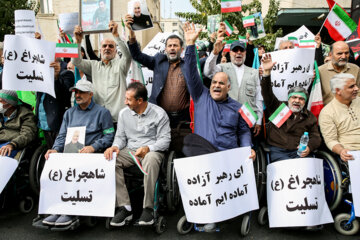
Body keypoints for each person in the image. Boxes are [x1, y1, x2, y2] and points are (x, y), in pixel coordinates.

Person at [181, 22, 255, 232]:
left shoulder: (238, 107)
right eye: (214, 82)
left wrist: (247, 148)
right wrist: (190, 44)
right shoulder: (201, 95)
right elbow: (190, 72)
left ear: (228, 87)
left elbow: (243, 131)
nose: (216, 85)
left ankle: (220, 213)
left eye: (221, 83)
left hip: (228, 157)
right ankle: (200, 212)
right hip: (203, 156)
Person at [42, 79, 115, 227]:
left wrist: (93, 147)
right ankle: (57, 207)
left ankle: (71, 211)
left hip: (92, 155)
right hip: (71, 153)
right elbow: (62, 135)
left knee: (76, 168)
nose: (78, 95)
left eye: (81, 92)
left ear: (90, 94)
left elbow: (109, 136)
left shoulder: (102, 113)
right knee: (53, 162)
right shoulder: (69, 113)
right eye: (76, 92)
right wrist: (55, 149)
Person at [104, 82, 170, 227]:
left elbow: (165, 140)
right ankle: (125, 207)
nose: (125, 102)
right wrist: (115, 147)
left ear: (140, 100)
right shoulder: (123, 113)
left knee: (151, 160)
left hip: (152, 151)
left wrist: (149, 147)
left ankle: (148, 208)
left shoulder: (159, 114)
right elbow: (120, 137)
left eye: (128, 99)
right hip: (130, 150)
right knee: (110, 160)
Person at [125, 15, 190, 128]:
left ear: (182, 49)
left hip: (183, 119)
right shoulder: (158, 61)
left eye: (175, 45)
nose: (172, 48)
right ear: (166, 49)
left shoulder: (188, 66)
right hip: (160, 116)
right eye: (169, 46)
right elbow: (137, 55)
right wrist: (131, 33)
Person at [204, 24, 263, 137]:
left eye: (241, 50)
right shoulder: (222, 68)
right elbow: (208, 72)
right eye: (235, 50)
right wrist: (215, 53)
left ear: (245, 53)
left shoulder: (254, 73)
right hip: (226, 121)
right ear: (230, 53)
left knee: (247, 151)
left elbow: (258, 98)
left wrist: (259, 120)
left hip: (248, 121)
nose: (238, 53)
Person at [260, 53, 321, 162]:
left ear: (305, 101)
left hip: (299, 152)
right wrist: (267, 73)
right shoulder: (278, 107)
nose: (297, 101)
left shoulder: (309, 116)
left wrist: (309, 147)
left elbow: (316, 137)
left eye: (301, 99)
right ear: (288, 99)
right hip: (278, 151)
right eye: (294, 97)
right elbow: (267, 93)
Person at [72, 20, 131, 123]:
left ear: (116, 51)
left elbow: (128, 56)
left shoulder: (120, 65)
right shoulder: (93, 65)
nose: (107, 48)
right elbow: (76, 61)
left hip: (118, 120)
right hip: (98, 119)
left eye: (111, 46)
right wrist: (77, 41)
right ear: (100, 50)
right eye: (104, 46)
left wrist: (116, 35)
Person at [319, 73, 360, 162]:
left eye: (356, 85)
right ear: (338, 90)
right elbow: (331, 140)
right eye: (351, 86)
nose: (357, 88)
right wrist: (341, 151)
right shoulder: (327, 112)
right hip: (352, 154)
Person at [36, 59, 74, 149]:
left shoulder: (66, 74)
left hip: (56, 122)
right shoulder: (40, 74)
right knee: (50, 150)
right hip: (43, 121)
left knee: (59, 151)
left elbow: (64, 95)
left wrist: (56, 77)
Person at [319, 41, 360, 105]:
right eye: (339, 53)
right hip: (330, 113)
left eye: (346, 53)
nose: (343, 56)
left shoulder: (356, 69)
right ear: (330, 55)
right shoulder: (320, 71)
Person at [0, 90, 37, 158]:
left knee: (4, 154)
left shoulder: (25, 114)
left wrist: (13, 144)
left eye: (1, 101)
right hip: (1, 140)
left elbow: (28, 134)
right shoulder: (1, 113)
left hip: (14, 143)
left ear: (10, 104)